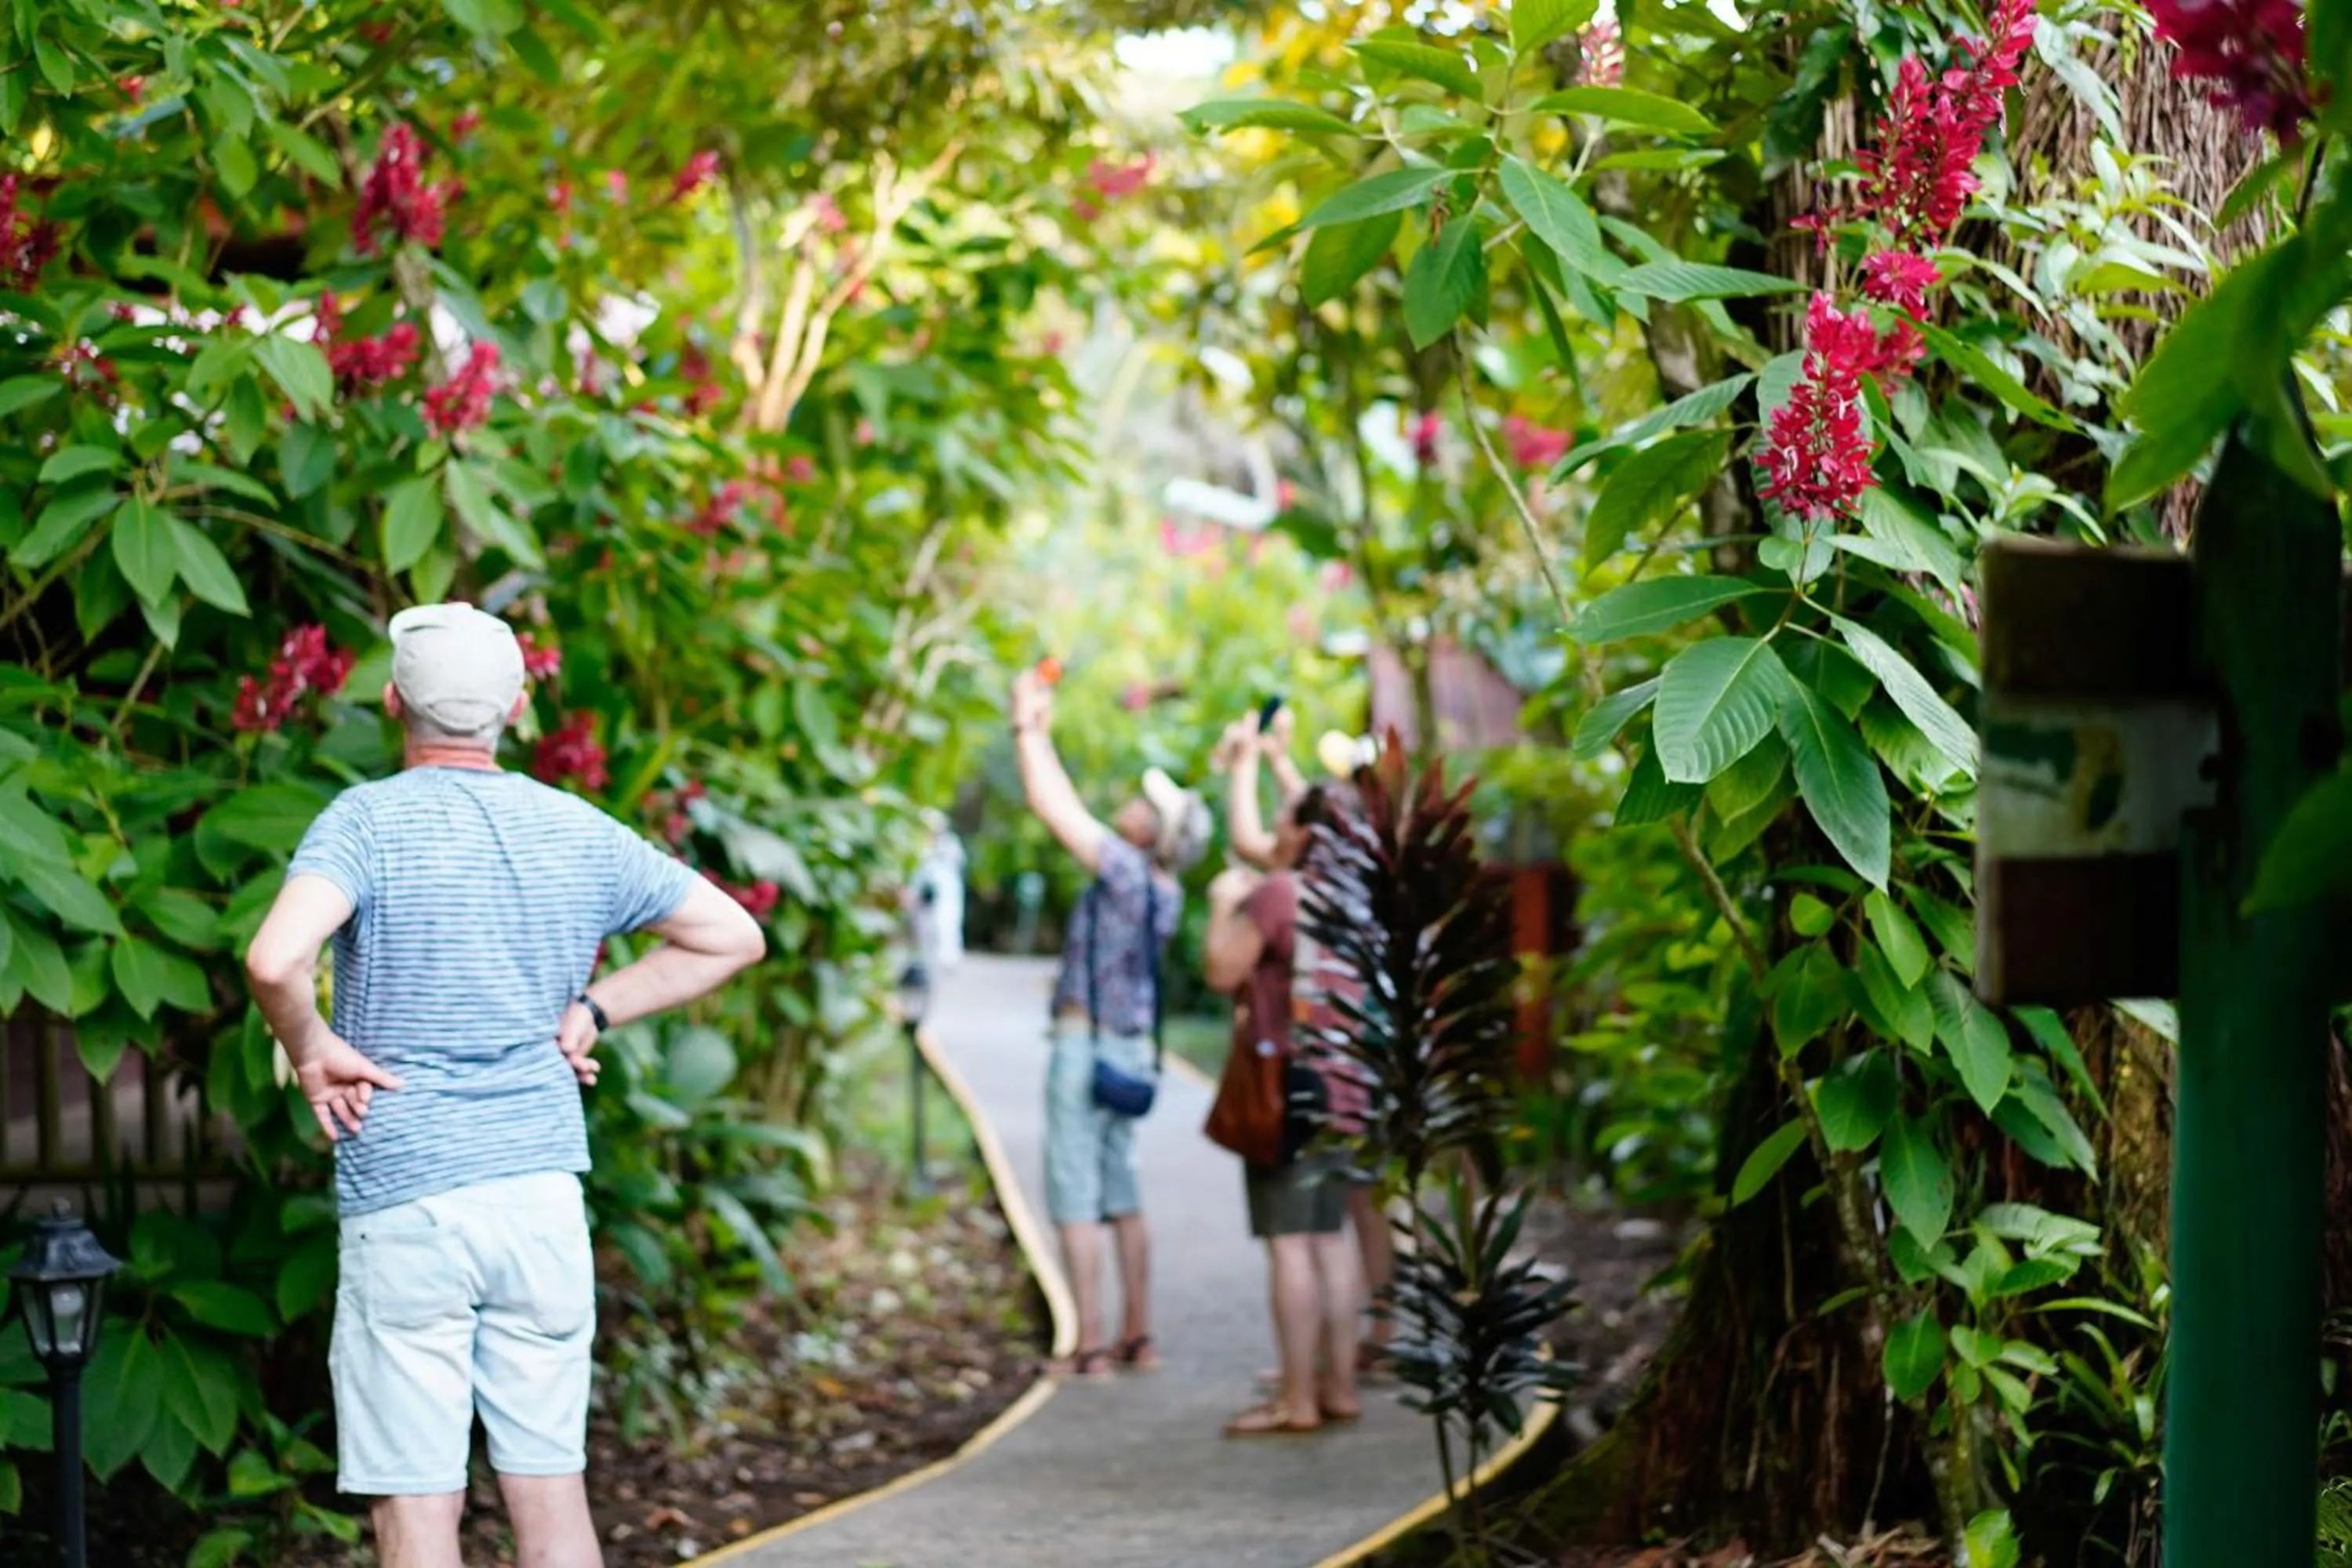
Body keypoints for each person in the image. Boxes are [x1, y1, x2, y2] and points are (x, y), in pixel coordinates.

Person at [243, 603, 767, 1568]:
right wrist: (597, 1008)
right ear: (518, 707)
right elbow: (734, 934)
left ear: (393, 700)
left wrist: (312, 1045)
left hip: (411, 1201)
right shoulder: (578, 829)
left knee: (418, 1511)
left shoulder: (363, 822)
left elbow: (276, 958)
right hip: (540, 1198)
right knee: (551, 1492)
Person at [1010, 666, 1207, 1379]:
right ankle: (1139, 1336)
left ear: (1154, 832)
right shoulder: (1166, 890)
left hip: (1084, 1044)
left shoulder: (1124, 870)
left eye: (1145, 805)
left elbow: (1049, 802)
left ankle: (1088, 1345)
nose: (1131, 803)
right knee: (1123, 1191)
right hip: (1129, 1052)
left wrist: (1027, 725)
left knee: (1075, 1192)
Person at [1223, 710, 1395, 1374]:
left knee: (1303, 1234)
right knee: (1348, 1217)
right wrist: (1274, 760)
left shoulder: (1289, 890)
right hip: (1366, 1064)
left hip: (1305, 1076)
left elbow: (1257, 842)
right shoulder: (1367, 868)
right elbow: (1307, 815)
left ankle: (1307, 1383)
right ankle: (1353, 1355)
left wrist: (1247, 762)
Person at [1204, 759, 1363, 1436]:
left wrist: (1219, 907)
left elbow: (1222, 971)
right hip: (1351, 1085)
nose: (1273, 826)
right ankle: (1340, 1388)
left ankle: (1296, 1400)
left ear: (1302, 835)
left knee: (1292, 1244)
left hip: (1292, 1087)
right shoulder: (1356, 897)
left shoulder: (1280, 895)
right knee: (1332, 1236)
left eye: (1282, 815)